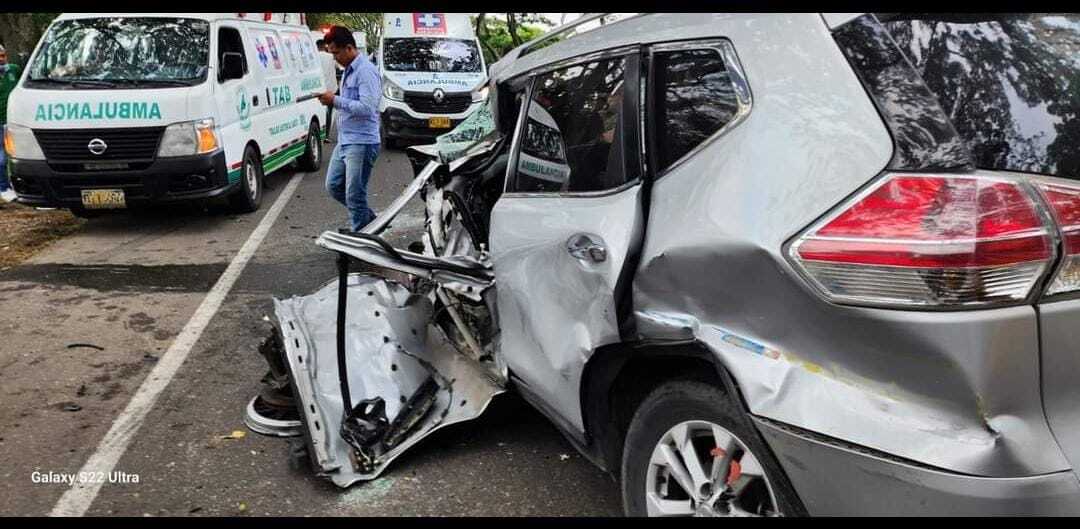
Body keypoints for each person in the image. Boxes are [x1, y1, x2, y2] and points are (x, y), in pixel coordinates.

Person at [318, 26, 382, 232]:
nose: (335, 58)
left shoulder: (366, 71)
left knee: (354, 194)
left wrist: (335, 100)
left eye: (336, 53)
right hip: (346, 140)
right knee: (334, 186)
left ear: (349, 48)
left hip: (362, 141)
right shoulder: (348, 70)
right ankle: (371, 222)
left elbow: (367, 107)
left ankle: (361, 236)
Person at [0, 44, 22, 203]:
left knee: (17, 155)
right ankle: (3, 187)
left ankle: (16, 185)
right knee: (1, 158)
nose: (1, 59)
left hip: (14, 120)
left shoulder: (13, 70)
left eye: (3, 56)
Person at [315, 39, 338, 144]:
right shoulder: (331, 57)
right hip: (330, 89)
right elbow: (338, 66)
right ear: (325, 46)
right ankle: (327, 135)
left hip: (317, 88)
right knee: (329, 111)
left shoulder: (314, 56)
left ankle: (319, 133)